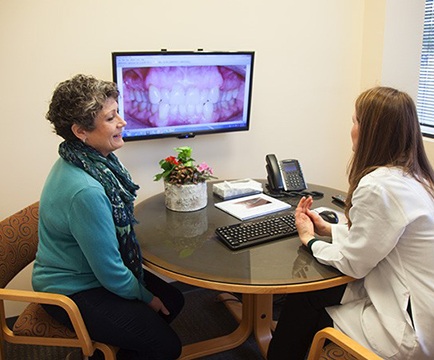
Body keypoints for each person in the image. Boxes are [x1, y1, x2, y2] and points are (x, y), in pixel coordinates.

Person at [267, 87, 434, 359]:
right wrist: (329, 229)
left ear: (372, 131)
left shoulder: (378, 186)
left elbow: (354, 264)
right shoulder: (416, 177)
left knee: (304, 306)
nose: (352, 129)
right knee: (307, 296)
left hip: (408, 331)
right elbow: (379, 238)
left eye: (355, 121)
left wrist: (311, 240)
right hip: (419, 308)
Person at [32, 74, 184, 360]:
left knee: (174, 300)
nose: (122, 122)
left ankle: (118, 350)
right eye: (111, 118)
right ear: (81, 131)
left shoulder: (85, 159)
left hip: (88, 273)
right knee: (167, 346)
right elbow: (111, 272)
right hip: (71, 290)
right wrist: (146, 298)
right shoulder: (85, 190)